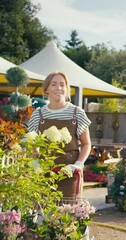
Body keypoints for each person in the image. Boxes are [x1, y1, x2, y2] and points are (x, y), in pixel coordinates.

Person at [27, 72, 92, 200]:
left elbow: (86, 144)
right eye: (54, 84)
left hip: (70, 173)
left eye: (62, 85)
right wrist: (34, 165)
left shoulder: (77, 113)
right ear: (47, 89)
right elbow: (33, 145)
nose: (59, 88)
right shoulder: (38, 115)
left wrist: (78, 164)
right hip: (44, 174)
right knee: (43, 213)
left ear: (67, 89)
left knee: (68, 214)